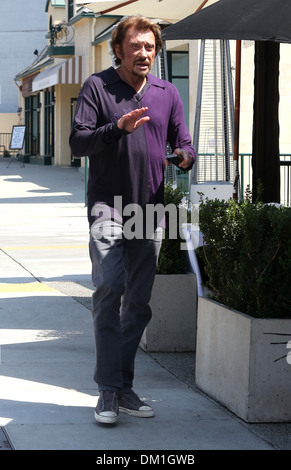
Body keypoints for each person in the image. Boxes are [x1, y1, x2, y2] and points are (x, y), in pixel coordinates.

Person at [69, 15, 196, 425]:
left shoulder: (167, 92)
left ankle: (122, 388)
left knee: (138, 303)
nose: (143, 53)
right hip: (108, 206)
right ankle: (107, 391)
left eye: (150, 47)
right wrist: (116, 129)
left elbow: (185, 143)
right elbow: (78, 141)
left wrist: (184, 157)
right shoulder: (98, 86)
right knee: (109, 286)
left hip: (151, 210)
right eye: (136, 46)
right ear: (119, 49)